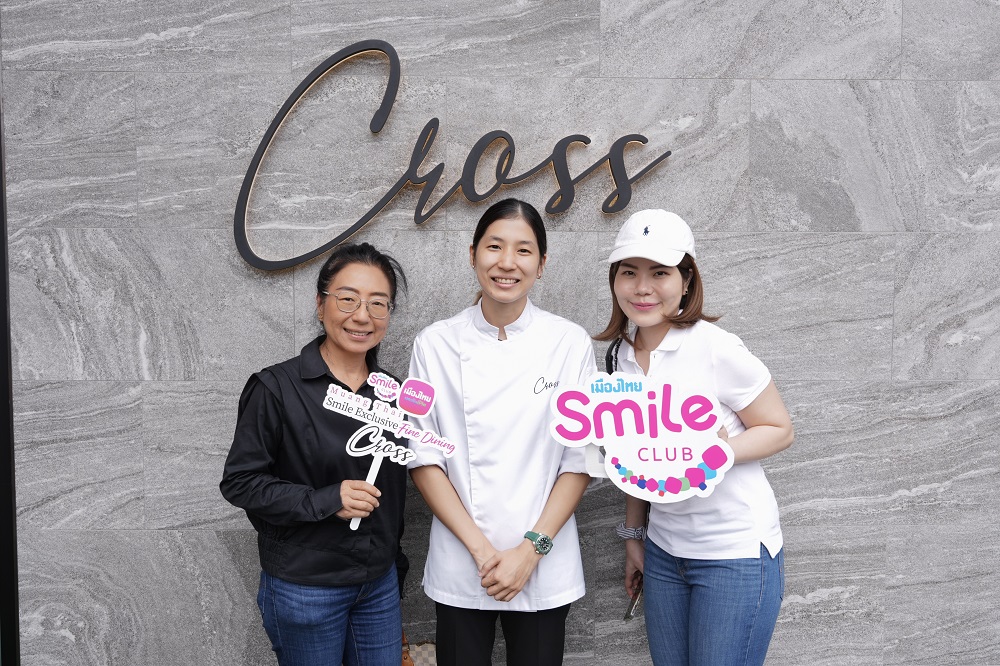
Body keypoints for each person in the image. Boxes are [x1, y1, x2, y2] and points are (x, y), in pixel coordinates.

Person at [596, 209, 794, 666]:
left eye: (659, 273)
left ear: (686, 280)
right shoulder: (620, 357)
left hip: (734, 554)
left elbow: (779, 429)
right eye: (629, 272)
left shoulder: (716, 347)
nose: (642, 287)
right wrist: (634, 534)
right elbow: (636, 456)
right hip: (664, 552)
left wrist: (715, 450)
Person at [406, 198, 594, 666]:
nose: (507, 263)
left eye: (523, 250)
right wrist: (482, 551)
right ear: (473, 254)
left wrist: (531, 551)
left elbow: (580, 459)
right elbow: (424, 458)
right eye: (494, 246)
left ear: (541, 264)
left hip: (542, 561)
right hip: (463, 558)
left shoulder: (569, 343)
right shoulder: (435, 343)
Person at [220, 242, 409, 666]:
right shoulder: (275, 388)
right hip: (305, 588)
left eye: (378, 303)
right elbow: (240, 483)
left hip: (378, 585)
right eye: (348, 299)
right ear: (321, 304)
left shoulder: (394, 395)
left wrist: (393, 567)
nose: (362, 315)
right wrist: (328, 499)